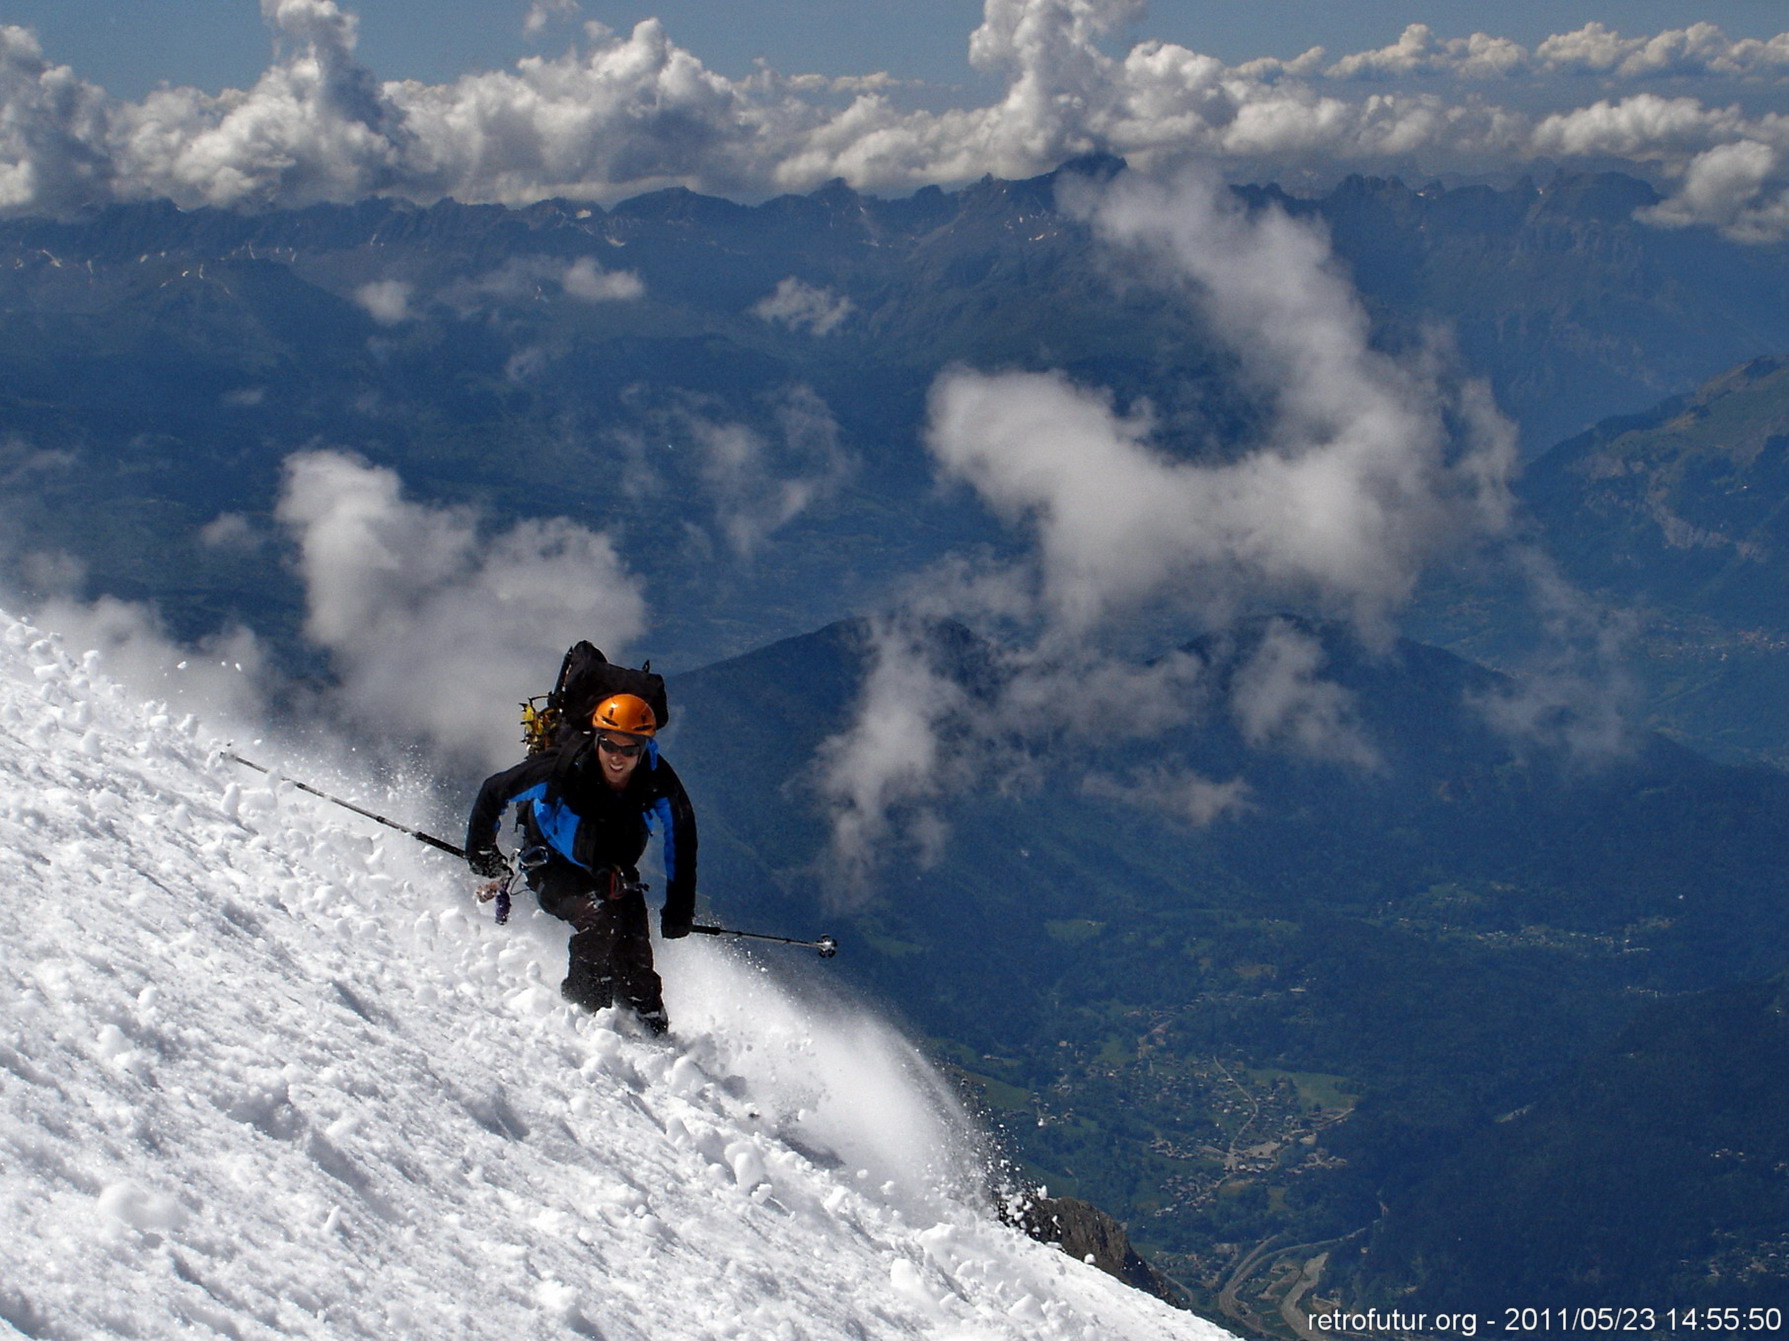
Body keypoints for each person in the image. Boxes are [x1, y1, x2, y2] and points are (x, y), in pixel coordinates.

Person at [465, 692, 697, 1034]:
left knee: (635, 954)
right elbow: (494, 791)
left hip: (614, 873)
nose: (618, 757)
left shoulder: (656, 780)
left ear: (645, 747)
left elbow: (683, 836)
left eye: (630, 748)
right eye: (609, 745)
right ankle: (584, 1019)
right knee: (599, 918)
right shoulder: (562, 769)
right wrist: (483, 856)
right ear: (597, 739)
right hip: (551, 866)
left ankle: (653, 1031)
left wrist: (679, 909)